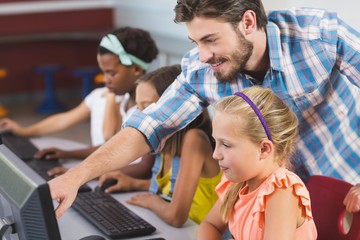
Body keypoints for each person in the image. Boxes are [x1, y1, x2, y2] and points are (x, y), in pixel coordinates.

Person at [48, 0, 360, 219]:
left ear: (248, 22)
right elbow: (147, 127)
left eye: (210, 39)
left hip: (348, 187)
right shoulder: (201, 71)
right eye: (195, 41)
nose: (203, 55)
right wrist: (74, 178)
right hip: (267, 204)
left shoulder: (318, 34)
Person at [0, 27, 158, 163]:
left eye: (111, 73)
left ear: (136, 70)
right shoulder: (99, 95)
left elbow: (110, 141)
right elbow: (62, 120)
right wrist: (24, 131)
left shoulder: (145, 108)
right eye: (103, 72)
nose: (105, 79)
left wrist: (69, 155)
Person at [98, 65, 221, 227]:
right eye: (139, 108)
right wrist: (134, 184)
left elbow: (176, 217)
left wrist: (152, 201)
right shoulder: (163, 141)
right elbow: (175, 188)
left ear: (176, 106)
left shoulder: (194, 140)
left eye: (148, 106)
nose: (142, 116)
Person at [197, 86, 317, 239]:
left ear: (264, 149)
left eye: (226, 145)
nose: (215, 155)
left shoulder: (282, 192)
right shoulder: (237, 180)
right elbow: (210, 225)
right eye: (216, 142)